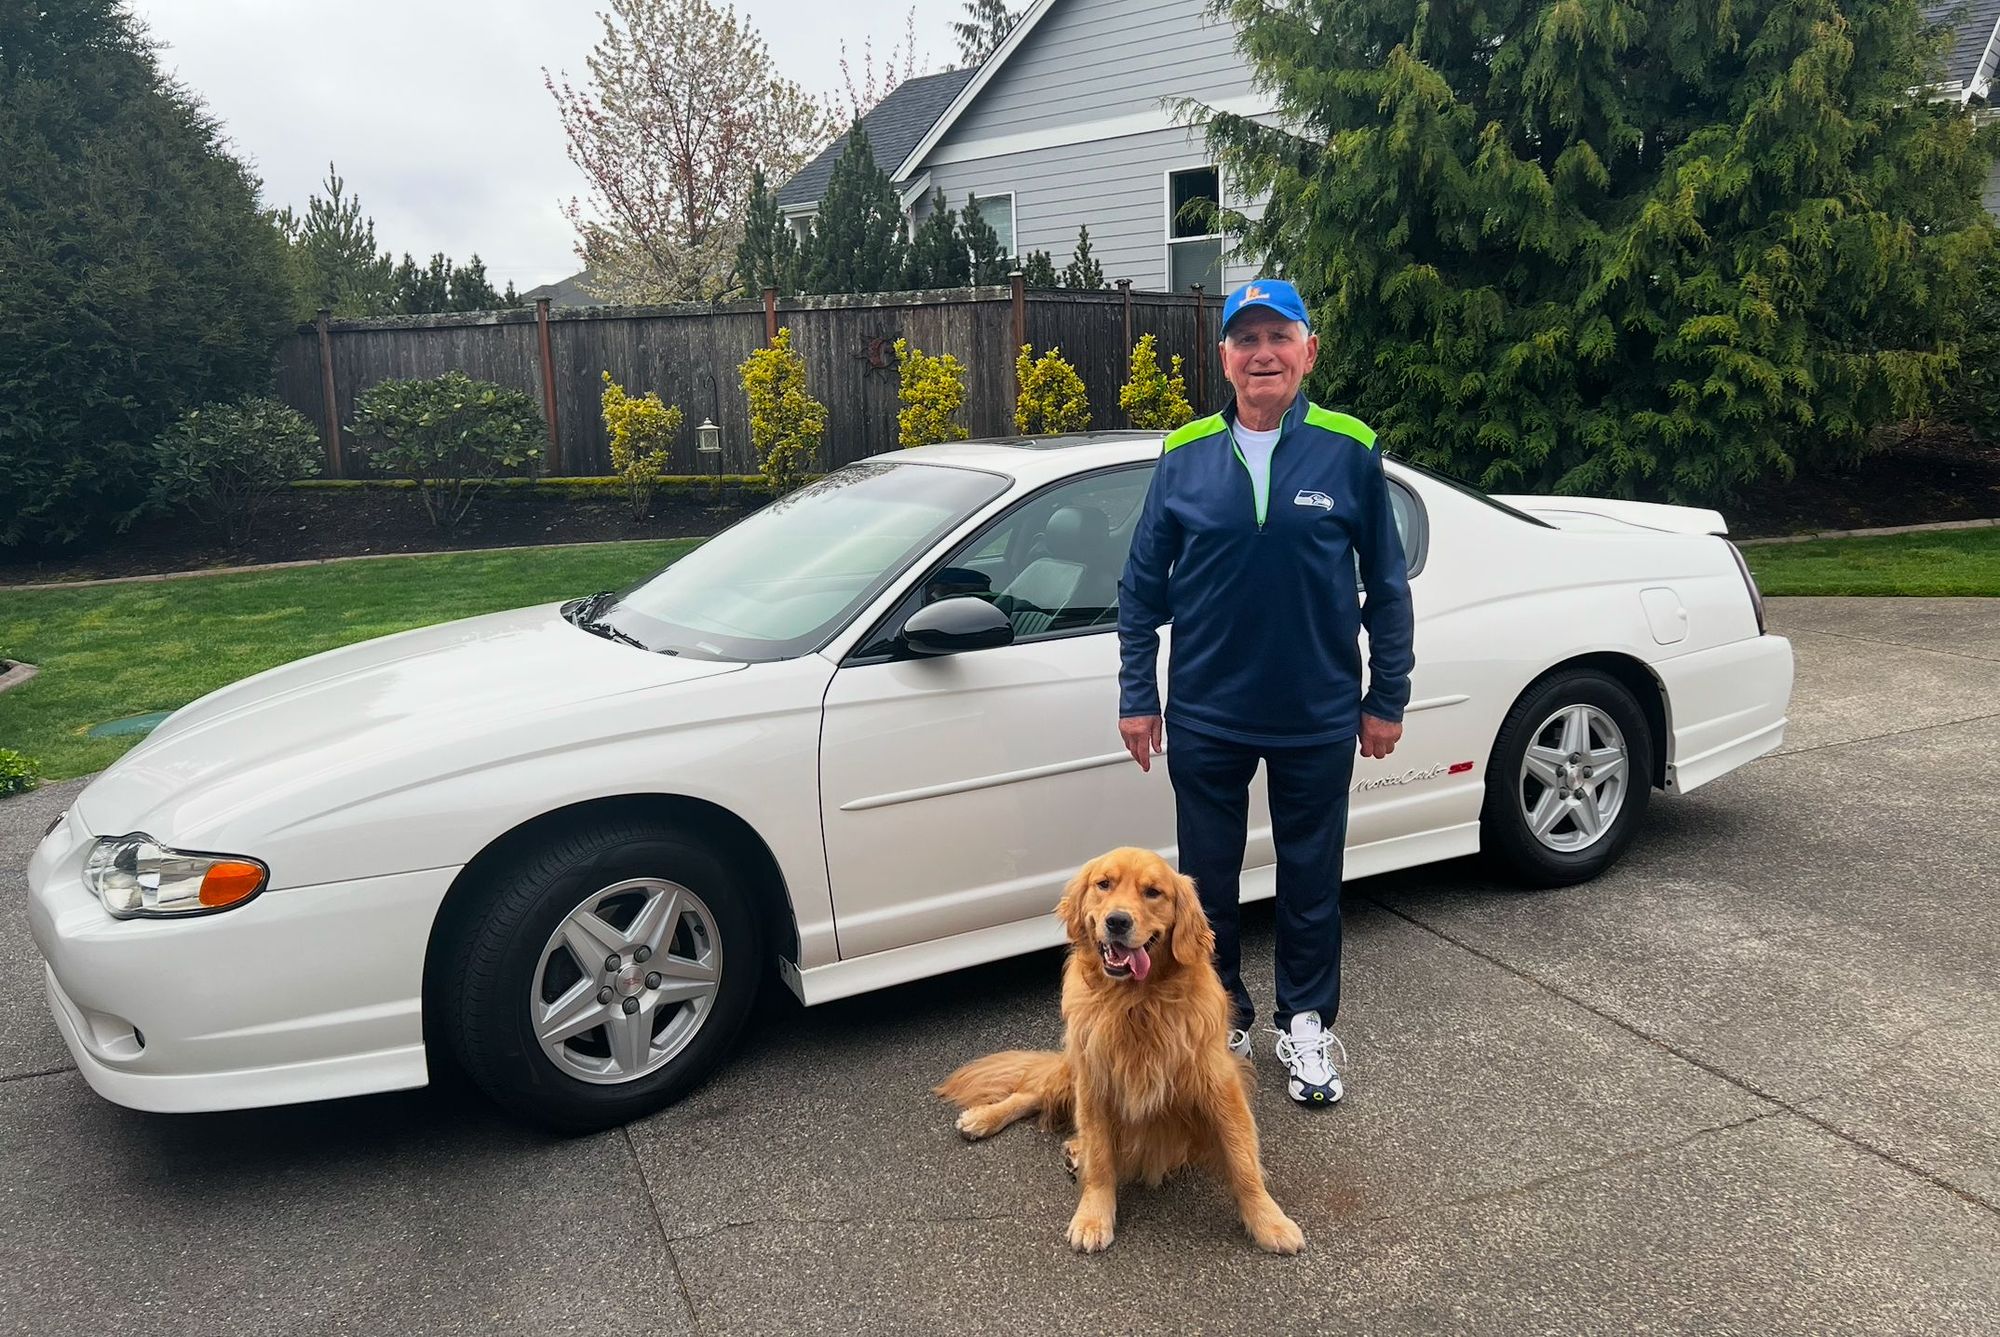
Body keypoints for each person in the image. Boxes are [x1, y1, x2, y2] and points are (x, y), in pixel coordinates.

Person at [1116, 277, 1414, 1107]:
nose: (1263, 354)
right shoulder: (1183, 455)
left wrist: (1386, 697)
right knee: (1203, 887)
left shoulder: (1350, 449)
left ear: (1308, 350)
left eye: (1279, 337)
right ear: (1224, 358)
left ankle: (1306, 1022)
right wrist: (1138, 694)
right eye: (1245, 340)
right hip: (1207, 714)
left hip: (1316, 712)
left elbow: (1388, 587)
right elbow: (1140, 589)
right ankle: (1221, 1016)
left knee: (1311, 879)